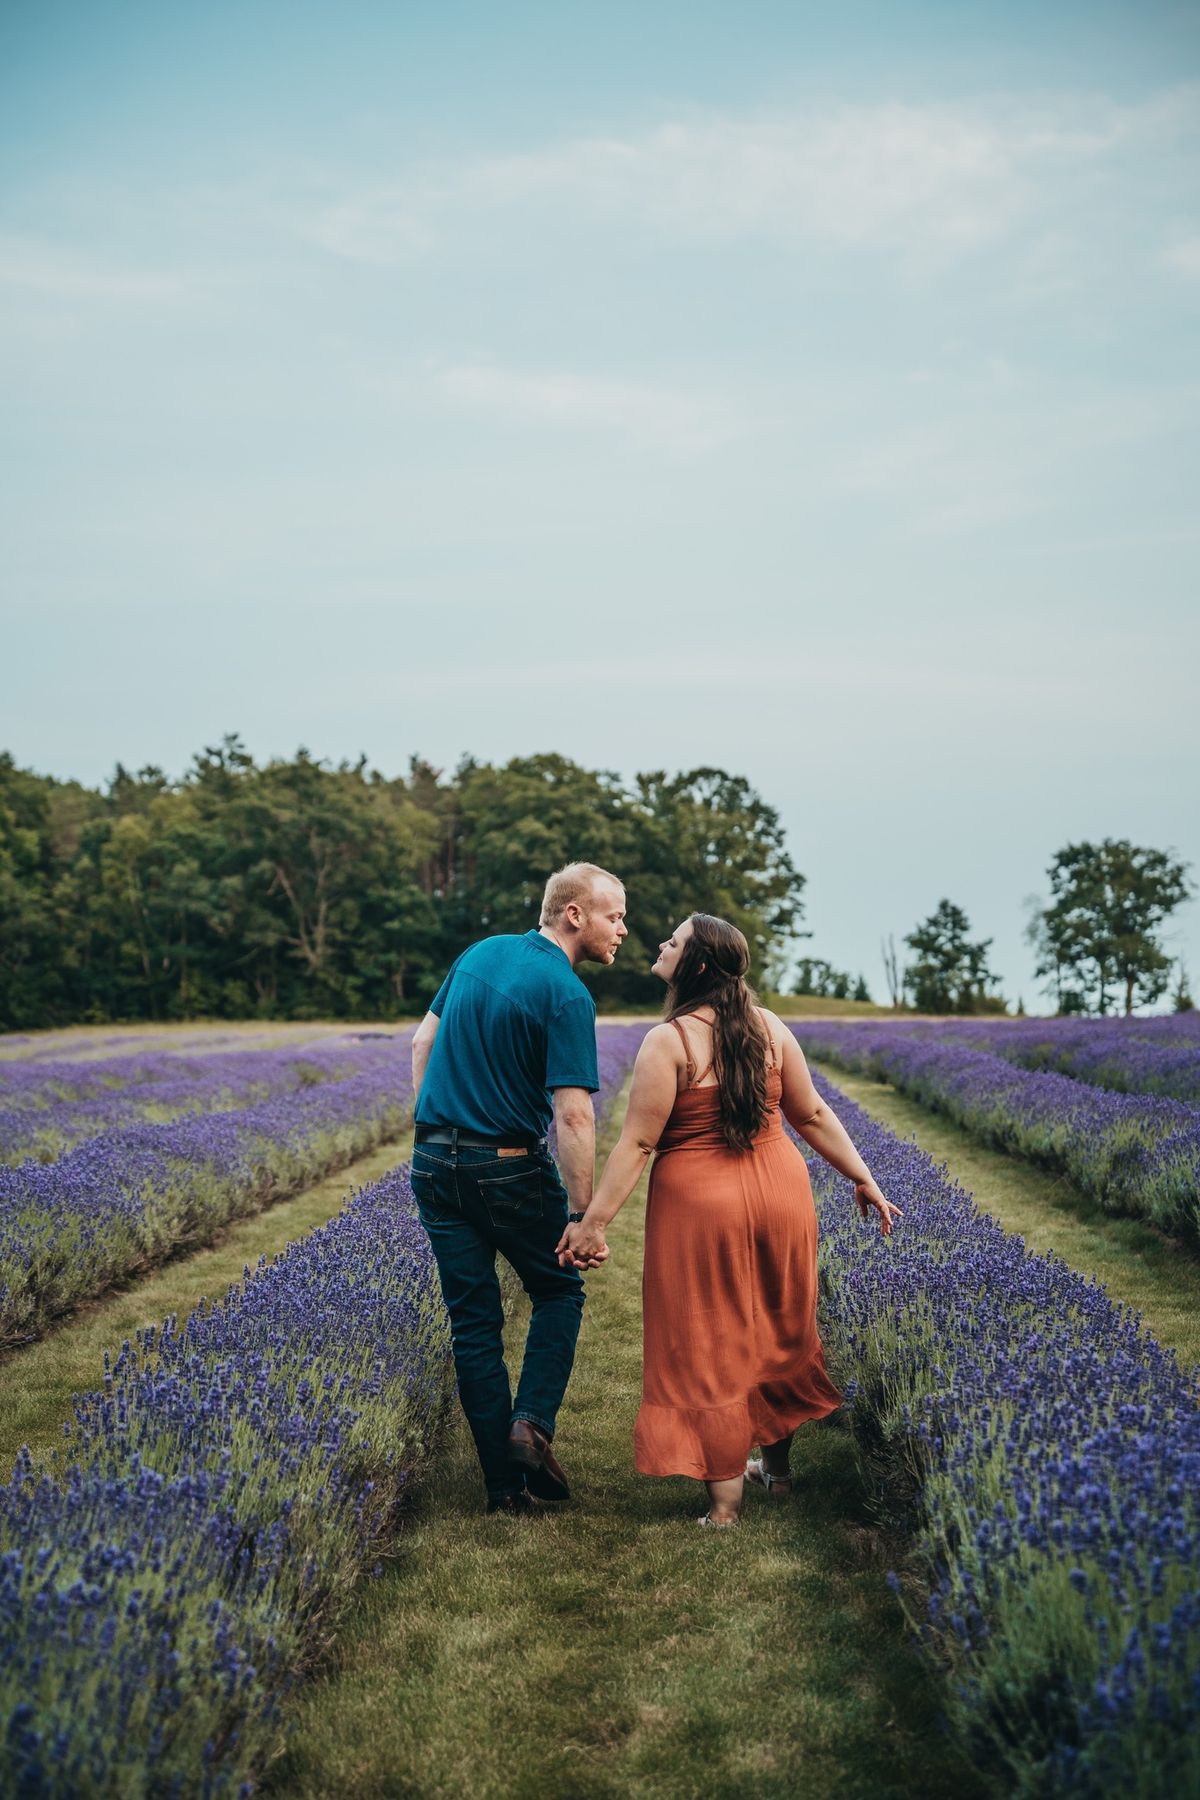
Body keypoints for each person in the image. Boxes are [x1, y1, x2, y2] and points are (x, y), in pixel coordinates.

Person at [557, 912, 901, 1527]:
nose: (661, 945)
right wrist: (863, 1176)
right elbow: (813, 1113)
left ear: (695, 965)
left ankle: (723, 1507)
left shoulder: (670, 1040)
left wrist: (594, 1222)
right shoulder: (768, 1027)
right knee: (778, 1324)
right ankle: (779, 1471)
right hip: (781, 1190)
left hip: (701, 1201)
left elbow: (637, 1144)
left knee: (707, 1339)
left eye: (675, 941)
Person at [410, 862, 627, 1515]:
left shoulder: (479, 953)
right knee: (559, 1288)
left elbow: (423, 1040)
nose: (623, 929)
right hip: (505, 1165)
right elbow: (573, 1114)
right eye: (614, 915)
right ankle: (530, 1427)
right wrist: (584, 1214)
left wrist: (433, 1123)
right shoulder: (565, 993)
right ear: (574, 915)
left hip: (433, 1161)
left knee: (473, 1325)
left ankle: (504, 1491)